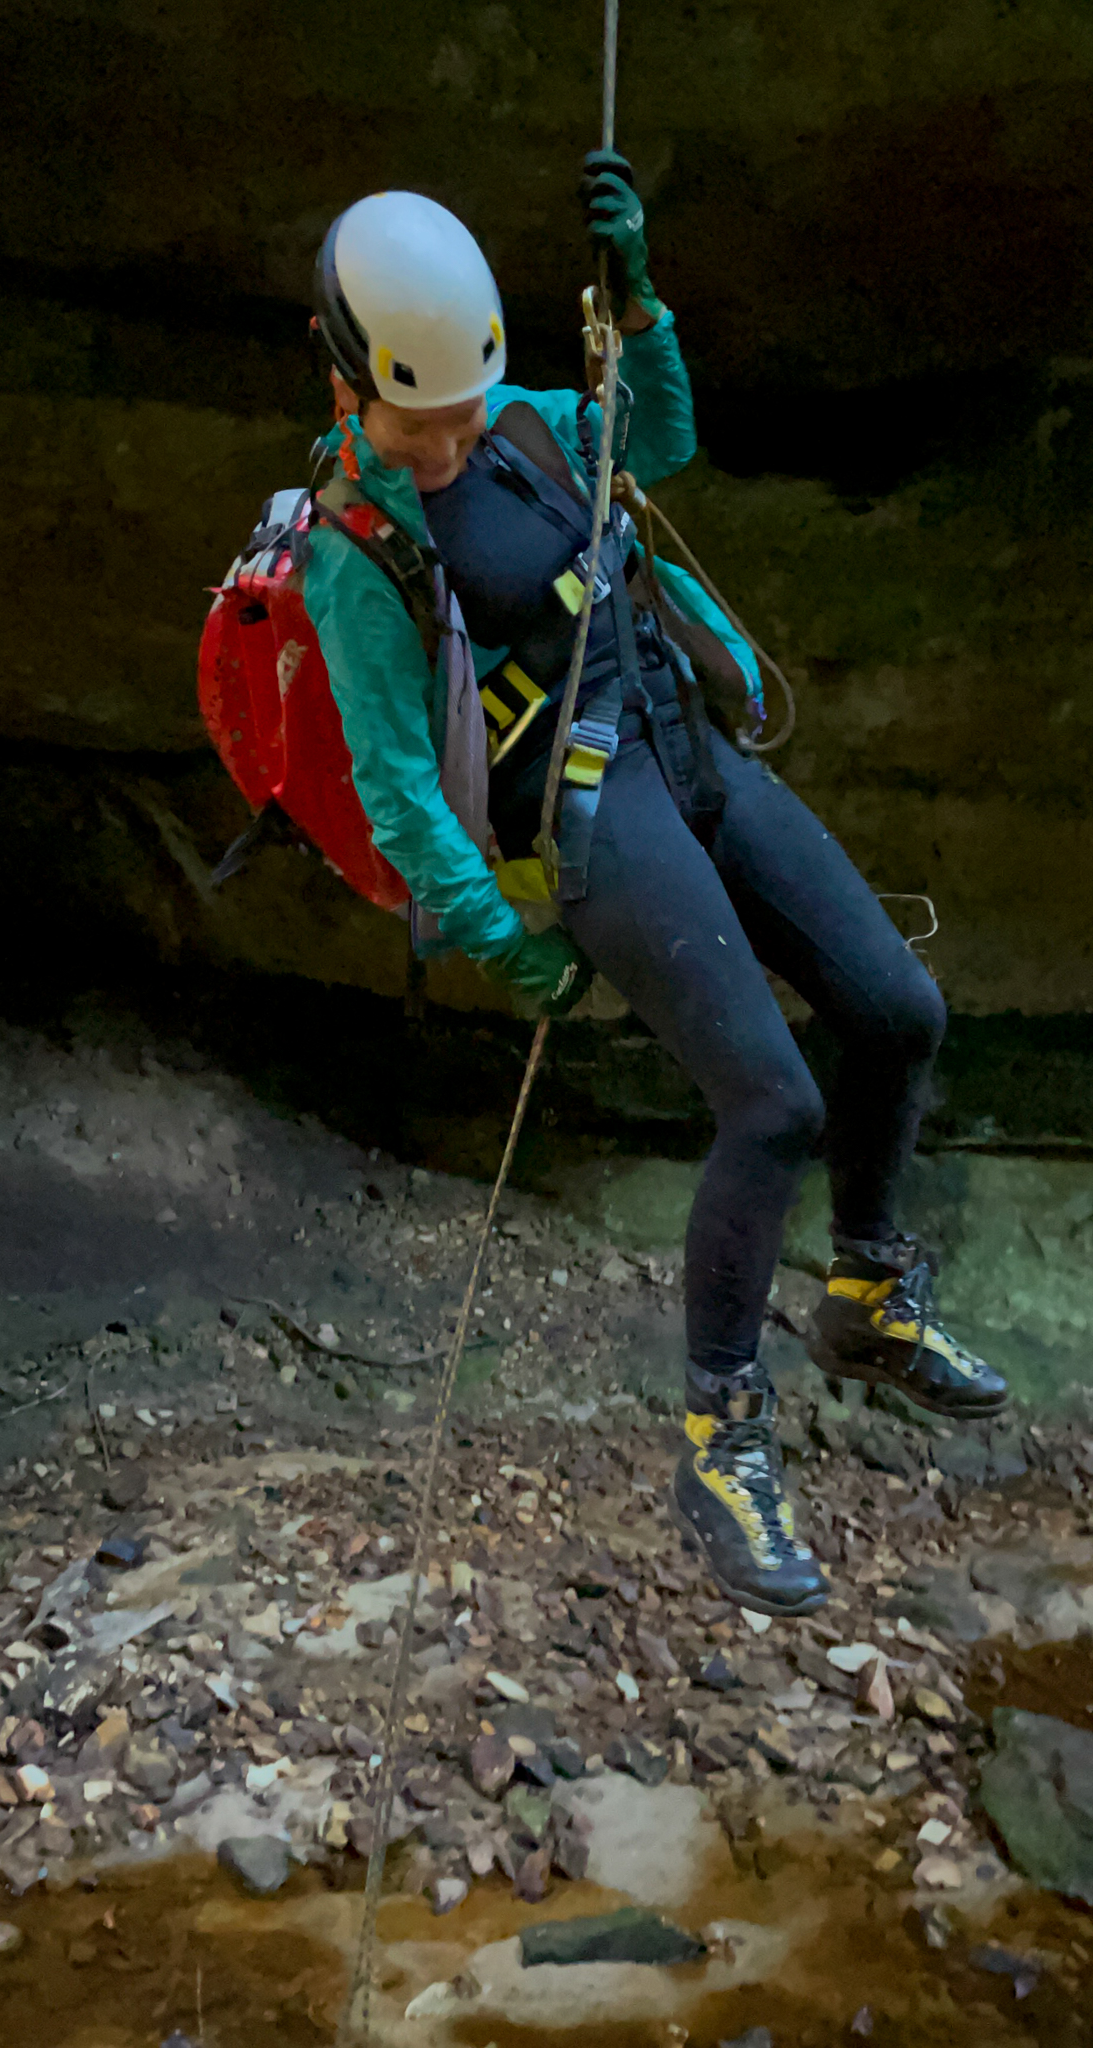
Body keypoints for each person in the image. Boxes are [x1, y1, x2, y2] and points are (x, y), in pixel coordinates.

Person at [302, 160, 1007, 1618]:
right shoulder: (356, 546)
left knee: (900, 1011)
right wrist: (502, 942)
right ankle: (721, 1444)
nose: (449, 440)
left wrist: (640, 314)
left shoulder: (524, 425)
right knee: (773, 1105)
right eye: (419, 421)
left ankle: (870, 1295)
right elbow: (396, 784)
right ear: (342, 376)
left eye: (462, 408)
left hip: (681, 743)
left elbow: (662, 440)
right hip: (586, 808)